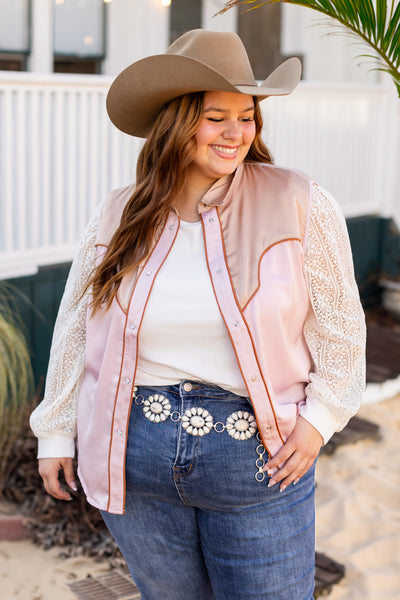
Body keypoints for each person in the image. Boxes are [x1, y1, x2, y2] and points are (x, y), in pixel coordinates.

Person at [30, 29, 366, 600]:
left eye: (247, 116)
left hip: (258, 460)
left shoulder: (300, 201)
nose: (237, 132)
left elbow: (342, 330)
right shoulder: (119, 212)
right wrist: (56, 431)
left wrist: (320, 420)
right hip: (133, 456)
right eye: (217, 116)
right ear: (176, 120)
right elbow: (76, 326)